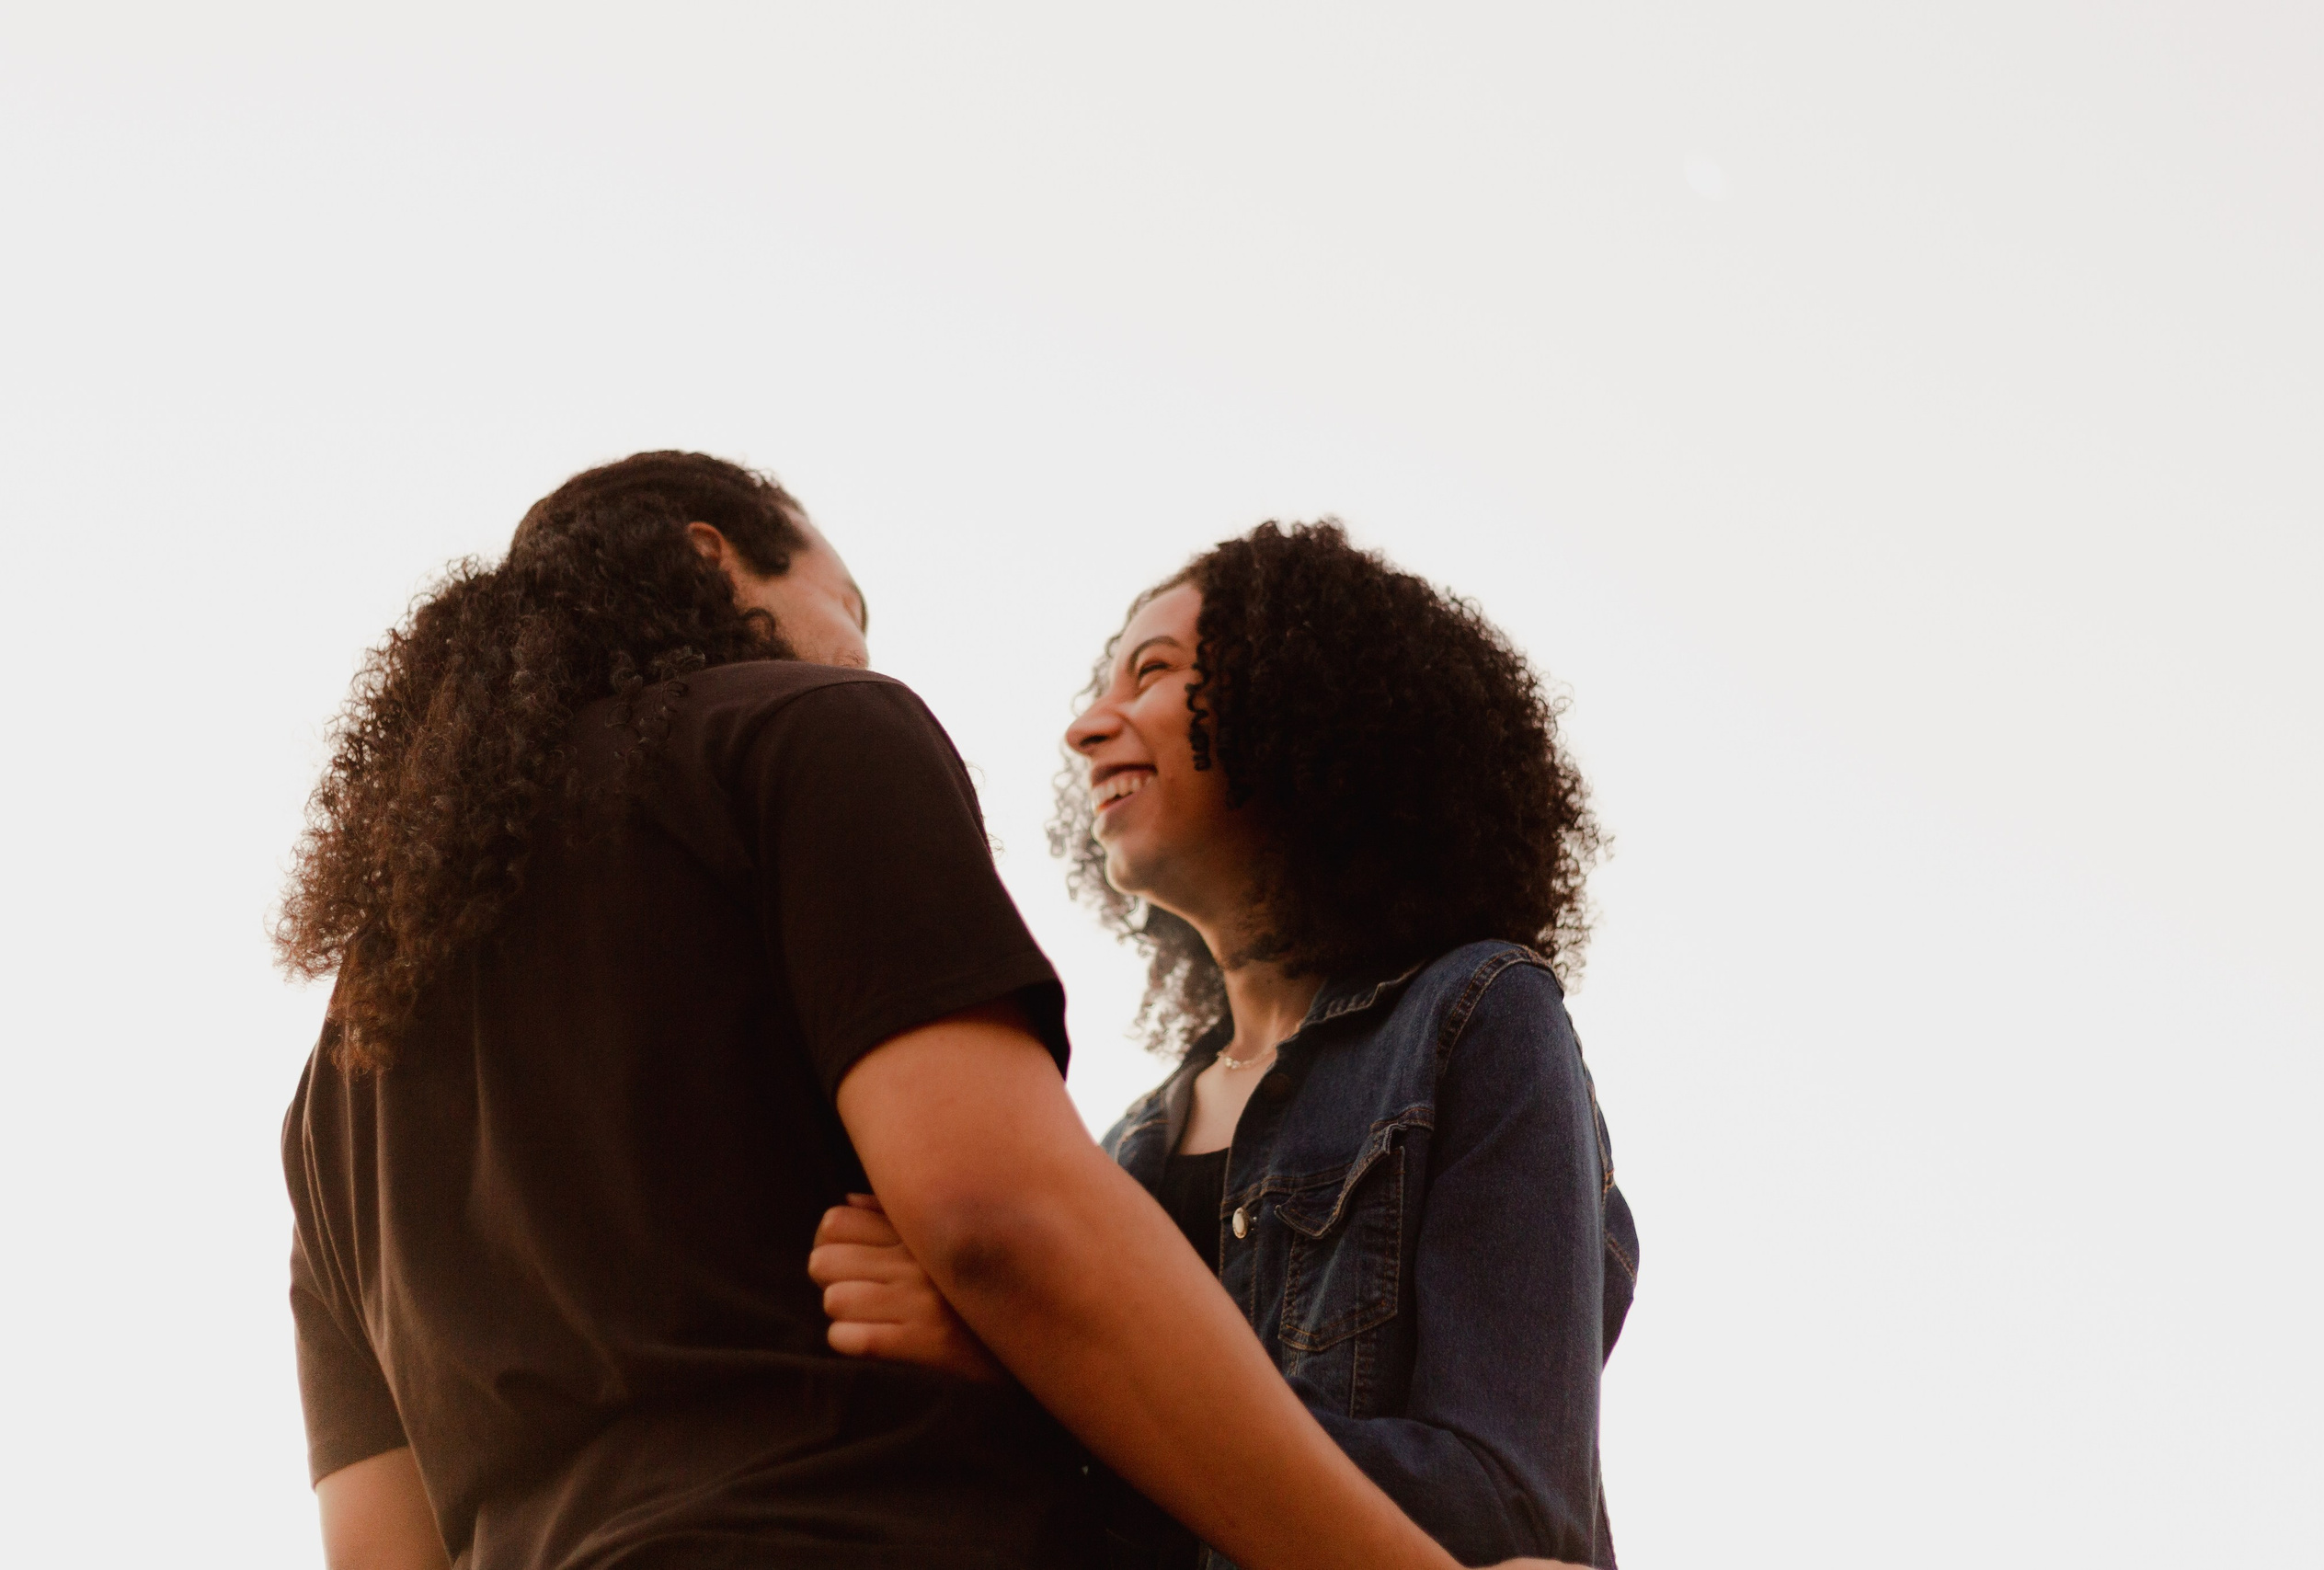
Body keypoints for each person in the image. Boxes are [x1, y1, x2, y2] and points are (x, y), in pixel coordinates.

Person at [274, 454, 1578, 1570]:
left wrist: (1017, 1363)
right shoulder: (812, 734)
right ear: (713, 558)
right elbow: (1002, 1227)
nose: (862, 651)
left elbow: (382, 1540)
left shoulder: (344, 1062)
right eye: (848, 604)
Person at [810, 522, 1638, 1568]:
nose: (1087, 729)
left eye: (1151, 671)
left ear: (1304, 699)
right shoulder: (1121, 1153)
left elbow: (1510, 1519)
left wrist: (1036, 1373)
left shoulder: (1473, 1017)